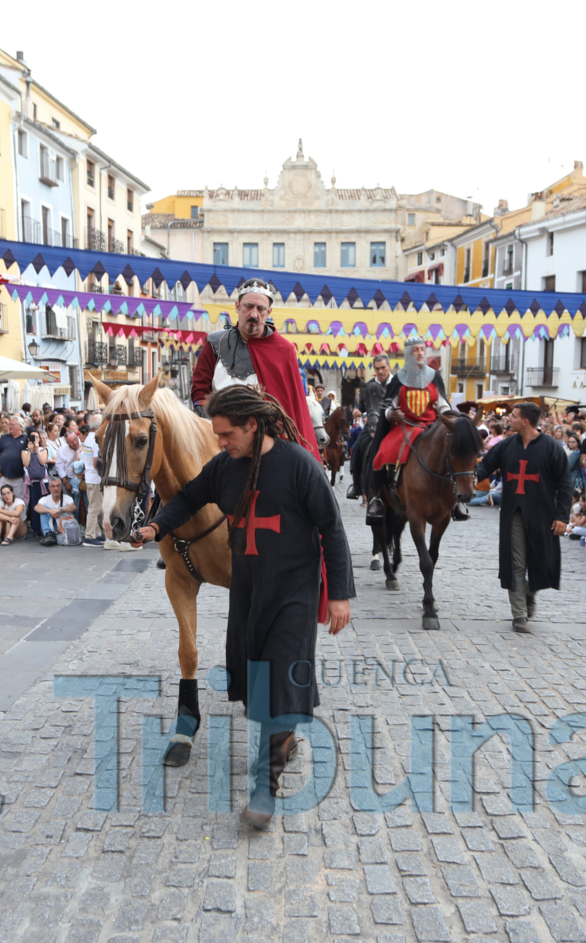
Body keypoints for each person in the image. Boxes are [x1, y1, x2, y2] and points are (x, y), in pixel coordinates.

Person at [135, 385, 354, 829]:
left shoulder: (299, 465)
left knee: (278, 681)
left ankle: (263, 787)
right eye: (216, 434)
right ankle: (285, 735)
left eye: (226, 433)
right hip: (249, 590)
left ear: (252, 426)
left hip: (293, 591)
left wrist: (339, 594)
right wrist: (156, 524)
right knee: (258, 686)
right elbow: (188, 498)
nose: (219, 442)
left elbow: (331, 528)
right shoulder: (225, 466)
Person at [189, 276, 320, 460]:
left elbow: (292, 403)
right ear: (237, 307)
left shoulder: (284, 350)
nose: (253, 314)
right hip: (219, 438)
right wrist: (211, 423)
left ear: (269, 312)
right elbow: (200, 391)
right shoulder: (214, 343)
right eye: (248, 307)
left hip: (267, 439)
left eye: (260, 309)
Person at [474, 401, 573, 633]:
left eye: (514, 416)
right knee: (517, 563)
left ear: (525, 421)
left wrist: (562, 516)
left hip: (543, 513)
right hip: (514, 512)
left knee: (543, 562)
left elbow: (565, 484)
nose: (510, 419)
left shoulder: (551, 447)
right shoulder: (507, 445)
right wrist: (470, 475)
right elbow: (485, 466)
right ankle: (519, 615)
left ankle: (529, 592)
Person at [366, 338, 458, 520]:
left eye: (422, 349)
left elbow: (442, 404)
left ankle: (456, 499)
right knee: (384, 451)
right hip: (404, 427)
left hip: (430, 427)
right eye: (416, 350)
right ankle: (377, 497)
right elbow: (388, 406)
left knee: (453, 450)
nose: (420, 353)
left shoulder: (434, 377)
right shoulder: (400, 378)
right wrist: (391, 415)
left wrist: (451, 416)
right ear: (408, 353)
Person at [347, 355, 392, 500]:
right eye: (377, 368)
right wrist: (357, 409)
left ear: (389, 367)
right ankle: (356, 485)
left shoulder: (396, 383)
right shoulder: (370, 384)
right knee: (358, 445)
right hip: (372, 423)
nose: (380, 371)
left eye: (383, 368)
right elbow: (362, 403)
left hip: (392, 423)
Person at [80, 416, 105, 545]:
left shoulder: (88, 438)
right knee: (95, 508)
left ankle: (96, 533)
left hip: (91, 477)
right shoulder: (95, 440)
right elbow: (97, 463)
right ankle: (89, 536)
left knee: (96, 507)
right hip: (95, 478)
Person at [23, 429, 50, 538]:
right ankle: (36, 529)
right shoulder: (24, 451)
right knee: (34, 506)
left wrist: (37, 449)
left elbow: (43, 462)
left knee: (44, 505)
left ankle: (46, 529)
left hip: (43, 481)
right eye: (33, 437)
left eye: (37, 437)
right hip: (32, 482)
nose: (36, 439)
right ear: (29, 439)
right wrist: (29, 451)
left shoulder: (44, 449)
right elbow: (26, 463)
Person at [34, 477, 76, 546]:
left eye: (58, 486)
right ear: (49, 488)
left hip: (63, 525)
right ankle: (48, 534)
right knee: (43, 509)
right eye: (53, 486)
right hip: (50, 525)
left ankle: (51, 537)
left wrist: (59, 509)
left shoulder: (67, 498)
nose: (56, 488)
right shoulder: (45, 499)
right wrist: (50, 511)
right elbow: (36, 507)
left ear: (61, 487)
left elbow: (73, 507)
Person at [0, 417, 27, 501]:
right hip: (3, 477)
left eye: (12, 424)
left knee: (19, 502)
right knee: (1, 500)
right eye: (9, 424)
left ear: (20, 426)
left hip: (19, 479)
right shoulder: (4, 438)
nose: (9, 426)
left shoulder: (26, 438)